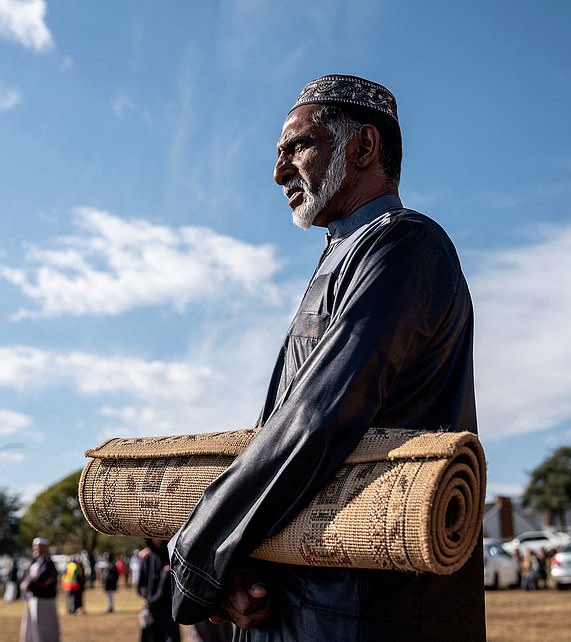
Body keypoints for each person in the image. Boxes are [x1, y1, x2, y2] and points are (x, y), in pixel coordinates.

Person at [167, 74, 484, 640]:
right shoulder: (344, 256)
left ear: (363, 147)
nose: (279, 170)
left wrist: (198, 552)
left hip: (368, 610)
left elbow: (319, 417)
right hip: (302, 604)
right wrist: (244, 567)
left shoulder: (405, 245)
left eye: (297, 147)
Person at [19, 537, 60, 642]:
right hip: (34, 598)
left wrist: (28, 585)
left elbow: (43, 577)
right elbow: (28, 576)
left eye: (38, 547)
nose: (35, 549)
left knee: (44, 627)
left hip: (44, 599)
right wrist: (25, 583)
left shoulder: (48, 562)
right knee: (32, 626)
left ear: (45, 548)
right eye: (35, 547)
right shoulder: (37, 561)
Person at [138, 539, 180, 642]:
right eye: (153, 538)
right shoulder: (147, 559)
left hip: (168, 611)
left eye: (159, 537)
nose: (157, 540)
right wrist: (149, 597)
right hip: (152, 610)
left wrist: (165, 576)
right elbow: (141, 586)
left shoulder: (171, 557)